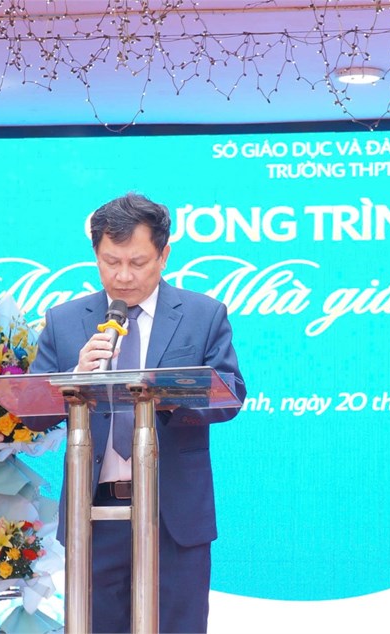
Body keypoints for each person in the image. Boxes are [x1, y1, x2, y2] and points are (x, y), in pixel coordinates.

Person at [26, 192, 246, 633]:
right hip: (93, 515)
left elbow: (231, 395)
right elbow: (31, 414)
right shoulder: (65, 321)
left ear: (164, 256)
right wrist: (75, 377)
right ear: (96, 254)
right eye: (111, 262)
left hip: (173, 516)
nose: (123, 276)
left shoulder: (202, 315)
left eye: (137, 262)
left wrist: (166, 394)